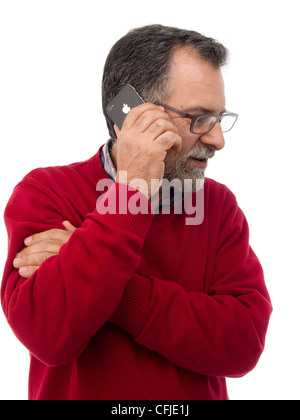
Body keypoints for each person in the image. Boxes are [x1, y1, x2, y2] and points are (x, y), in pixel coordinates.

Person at [1, 24, 272, 400]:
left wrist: (107, 281)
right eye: (199, 118)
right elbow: (49, 336)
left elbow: (244, 342)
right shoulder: (45, 193)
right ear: (130, 115)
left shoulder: (219, 207)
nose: (217, 140)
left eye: (219, 119)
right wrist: (131, 193)